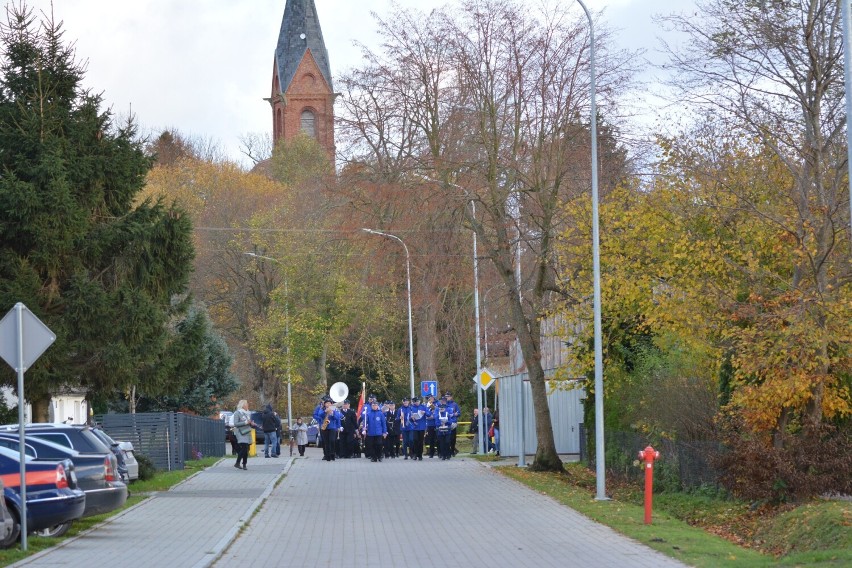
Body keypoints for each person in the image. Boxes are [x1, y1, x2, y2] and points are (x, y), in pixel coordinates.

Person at [232, 400, 254, 470]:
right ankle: (237, 463)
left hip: (247, 432)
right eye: (246, 404)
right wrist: (245, 422)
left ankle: (244, 464)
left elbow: (248, 423)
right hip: (241, 432)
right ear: (243, 405)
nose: (248, 405)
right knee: (244, 448)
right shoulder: (237, 413)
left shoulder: (247, 413)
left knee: (246, 449)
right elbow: (236, 423)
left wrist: (251, 423)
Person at [410, 396, 427, 460]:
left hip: (422, 427)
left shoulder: (423, 407)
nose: (417, 402)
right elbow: (409, 418)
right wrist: (412, 418)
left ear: (420, 401)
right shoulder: (412, 408)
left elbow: (429, 414)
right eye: (416, 401)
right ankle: (415, 454)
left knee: (420, 441)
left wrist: (424, 412)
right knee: (415, 441)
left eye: (418, 401)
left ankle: (420, 455)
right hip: (415, 427)